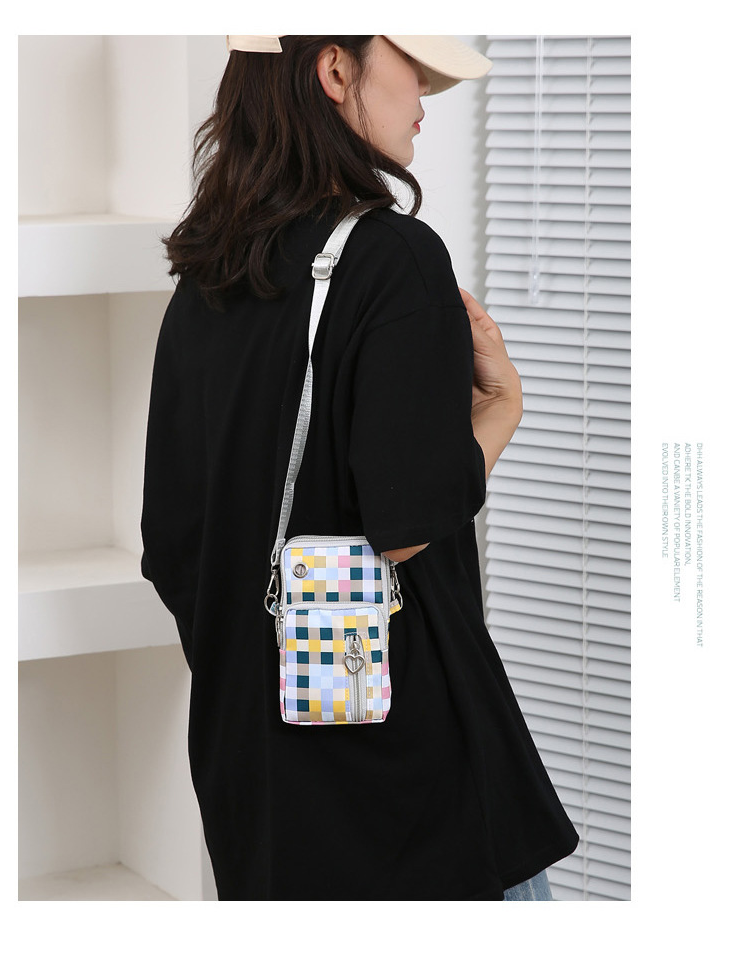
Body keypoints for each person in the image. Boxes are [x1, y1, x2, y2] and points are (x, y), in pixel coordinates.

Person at [140, 34, 579, 901]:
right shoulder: (393, 259)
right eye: (411, 64)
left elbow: (172, 546)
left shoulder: (209, 268)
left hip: (252, 776)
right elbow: (406, 526)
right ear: (336, 70)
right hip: (407, 788)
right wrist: (499, 411)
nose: (425, 94)